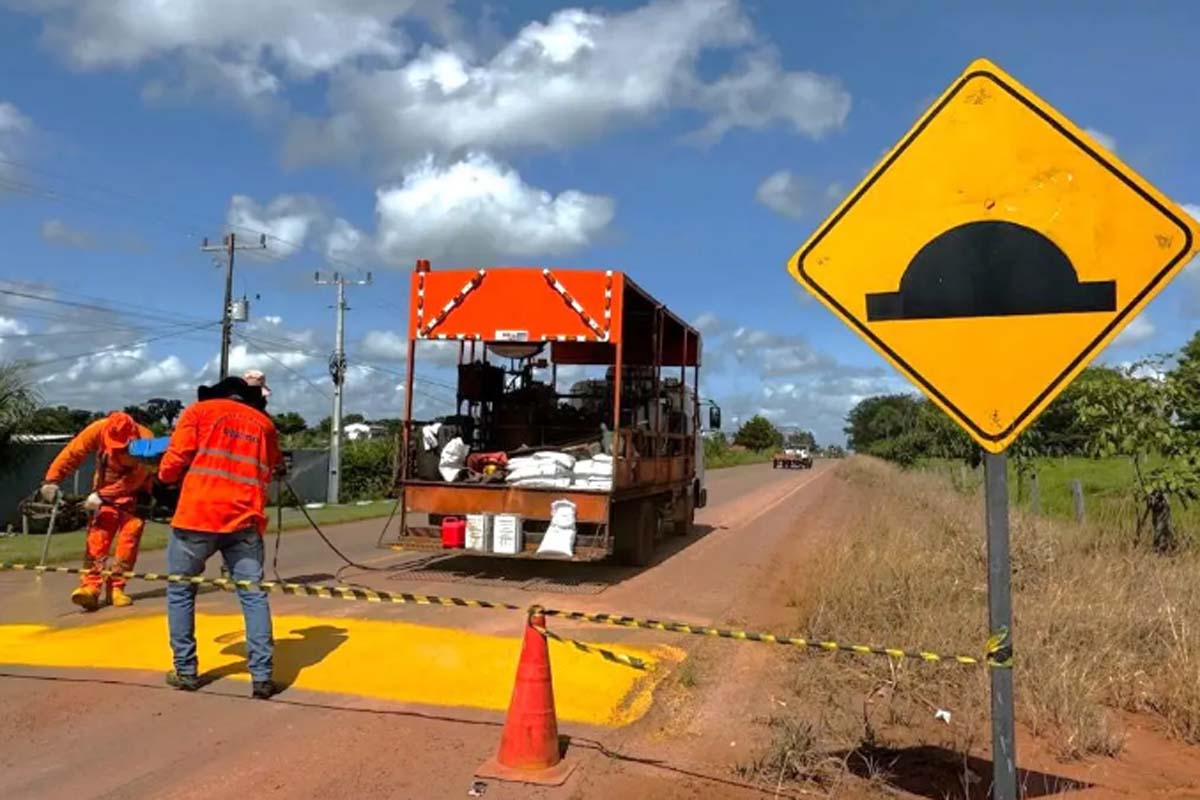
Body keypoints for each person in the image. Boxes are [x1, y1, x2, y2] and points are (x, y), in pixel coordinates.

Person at [158, 375, 283, 698]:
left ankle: (186, 671)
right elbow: (274, 465)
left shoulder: (199, 412)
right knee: (253, 595)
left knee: (181, 591)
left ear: (217, 394)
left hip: (196, 516)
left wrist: (164, 479)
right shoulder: (264, 424)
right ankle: (262, 677)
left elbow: (174, 461)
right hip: (244, 520)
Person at [41, 410, 152, 611]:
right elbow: (73, 452)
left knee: (128, 541)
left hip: (135, 495)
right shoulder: (99, 429)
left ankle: (117, 588)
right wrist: (52, 480)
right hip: (104, 492)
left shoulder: (146, 441)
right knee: (98, 538)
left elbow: (135, 478)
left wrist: (102, 495)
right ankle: (90, 587)